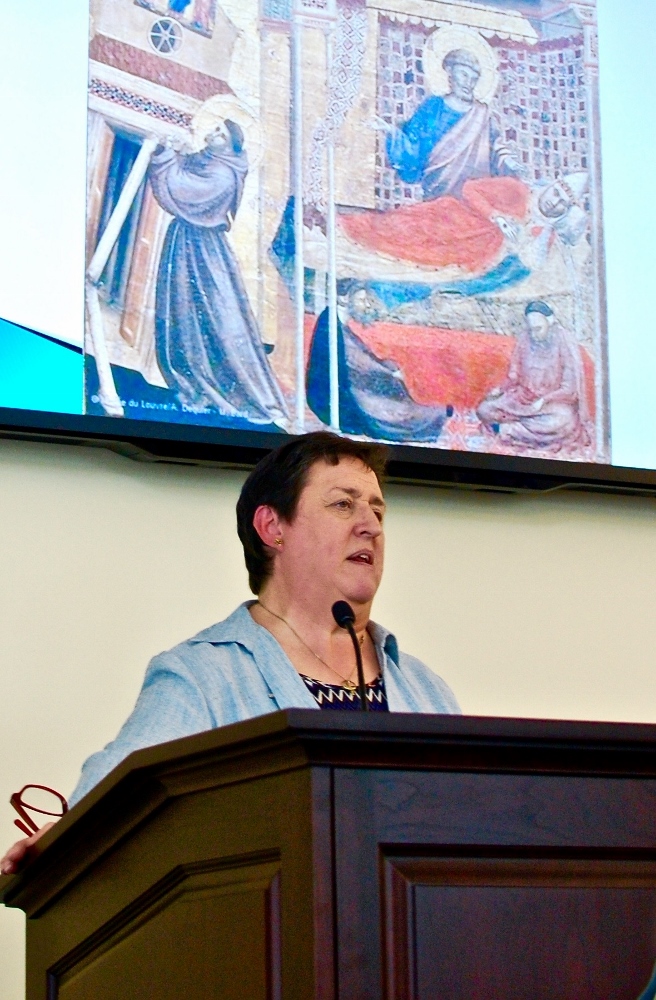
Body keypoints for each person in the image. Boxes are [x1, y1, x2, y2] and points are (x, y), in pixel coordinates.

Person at [1, 432, 459, 875]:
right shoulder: (203, 677)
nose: (371, 526)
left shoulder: (425, 690)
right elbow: (114, 796)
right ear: (273, 527)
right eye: (343, 505)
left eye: (377, 510)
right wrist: (65, 835)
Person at [149, 120, 288, 426]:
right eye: (213, 130)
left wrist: (167, 157)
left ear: (230, 144)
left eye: (220, 134)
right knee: (180, 310)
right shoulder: (205, 160)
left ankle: (223, 383)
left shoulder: (224, 174)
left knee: (214, 313)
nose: (211, 135)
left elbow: (185, 189)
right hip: (185, 242)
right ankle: (191, 375)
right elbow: (185, 169)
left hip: (204, 251)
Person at [306, 280, 448, 442]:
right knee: (413, 412)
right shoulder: (331, 325)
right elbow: (357, 360)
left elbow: (361, 357)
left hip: (357, 385)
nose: (366, 305)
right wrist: (390, 372)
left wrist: (386, 365)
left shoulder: (339, 323)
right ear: (344, 300)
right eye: (360, 300)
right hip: (349, 397)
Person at [384, 48, 519, 200]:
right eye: (464, 75)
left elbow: (495, 147)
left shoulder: (482, 114)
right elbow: (414, 144)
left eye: (474, 79)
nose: (469, 83)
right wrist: (392, 133)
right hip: (437, 190)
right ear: (450, 72)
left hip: (475, 197)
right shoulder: (433, 107)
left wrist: (507, 160)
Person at [476, 301, 589, 449]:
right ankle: (521, 429)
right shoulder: (525, 338)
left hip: (553, 404)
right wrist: (500, 390)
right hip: (523, 399)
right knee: (484, 409)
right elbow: (514, 376)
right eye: (531, 330)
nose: (534, 335)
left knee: (562, 422)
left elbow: (570, 389)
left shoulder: (565, 342)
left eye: (538, 329)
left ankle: (508, 430)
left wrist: (544, 400)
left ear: (550, 321)